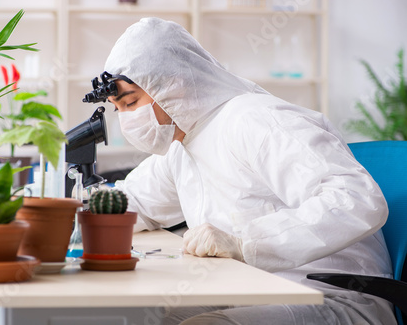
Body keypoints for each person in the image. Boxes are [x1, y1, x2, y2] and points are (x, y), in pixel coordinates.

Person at [99, 17, 396, 324]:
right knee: (139, 316)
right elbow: (134, 201)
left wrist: (245, 242)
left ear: (173, 84)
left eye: (131, 103)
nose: (126, 119)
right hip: (255, 290)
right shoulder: (183, 141)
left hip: (334, 297)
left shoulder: (256, 120)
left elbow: (358, 200)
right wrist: (72, 211)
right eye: (117, 108)